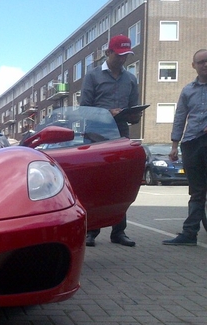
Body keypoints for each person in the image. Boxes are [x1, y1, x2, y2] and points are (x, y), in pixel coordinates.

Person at [80, 34, 141, 247]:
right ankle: (91, 231)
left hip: (121, 134)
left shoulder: (131, 79)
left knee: (121, 182)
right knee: (96, 182)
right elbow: (84, 109)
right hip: (96, 135)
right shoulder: (93, 76)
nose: (123, 59)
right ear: (108, 53)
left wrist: (135, 115)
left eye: (126, 55)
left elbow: (134, 109)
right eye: (119, 55)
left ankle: (119, 232)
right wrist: (108, 113)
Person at [162, 49, 207, 246]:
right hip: (191, 143)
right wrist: (174, 145)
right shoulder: (188, 90)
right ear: (194, 66)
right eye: (201, 62)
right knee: (196, 191)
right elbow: (180, 117)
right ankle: (190, 234)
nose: (205, 65)